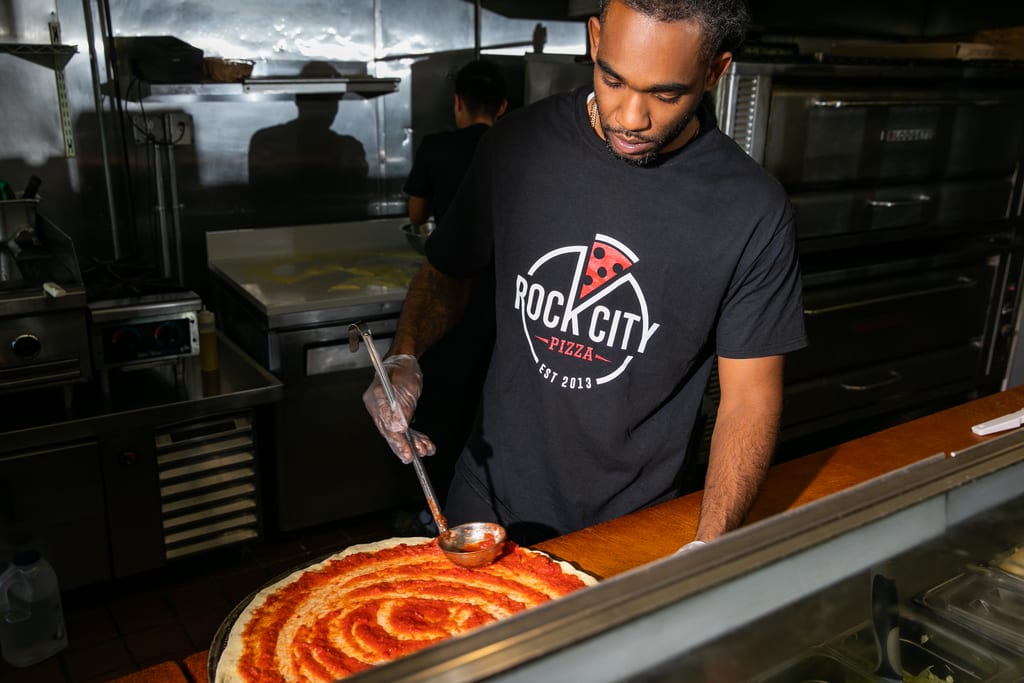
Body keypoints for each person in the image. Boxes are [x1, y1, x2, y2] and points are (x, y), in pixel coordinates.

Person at [363, 0, 807, 550]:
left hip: (635, 523)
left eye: (665, 94)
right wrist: (404, 355)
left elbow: (749, 400)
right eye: (613, 79)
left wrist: (708, 547)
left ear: (716, 70)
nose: (629, 117)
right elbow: (447, 271)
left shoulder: (751, 210)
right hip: (487, 500)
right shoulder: (516, 146)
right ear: (595, 39)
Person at [391, 59, 509, 534]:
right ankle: (477, 508)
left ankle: (433, 512)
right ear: (504, 107)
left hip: (452, 299)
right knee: (486, 407)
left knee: (442, 407)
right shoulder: (513, 150)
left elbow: (416, 216)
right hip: (505, 303)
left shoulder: (438, 147)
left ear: (457, 102)